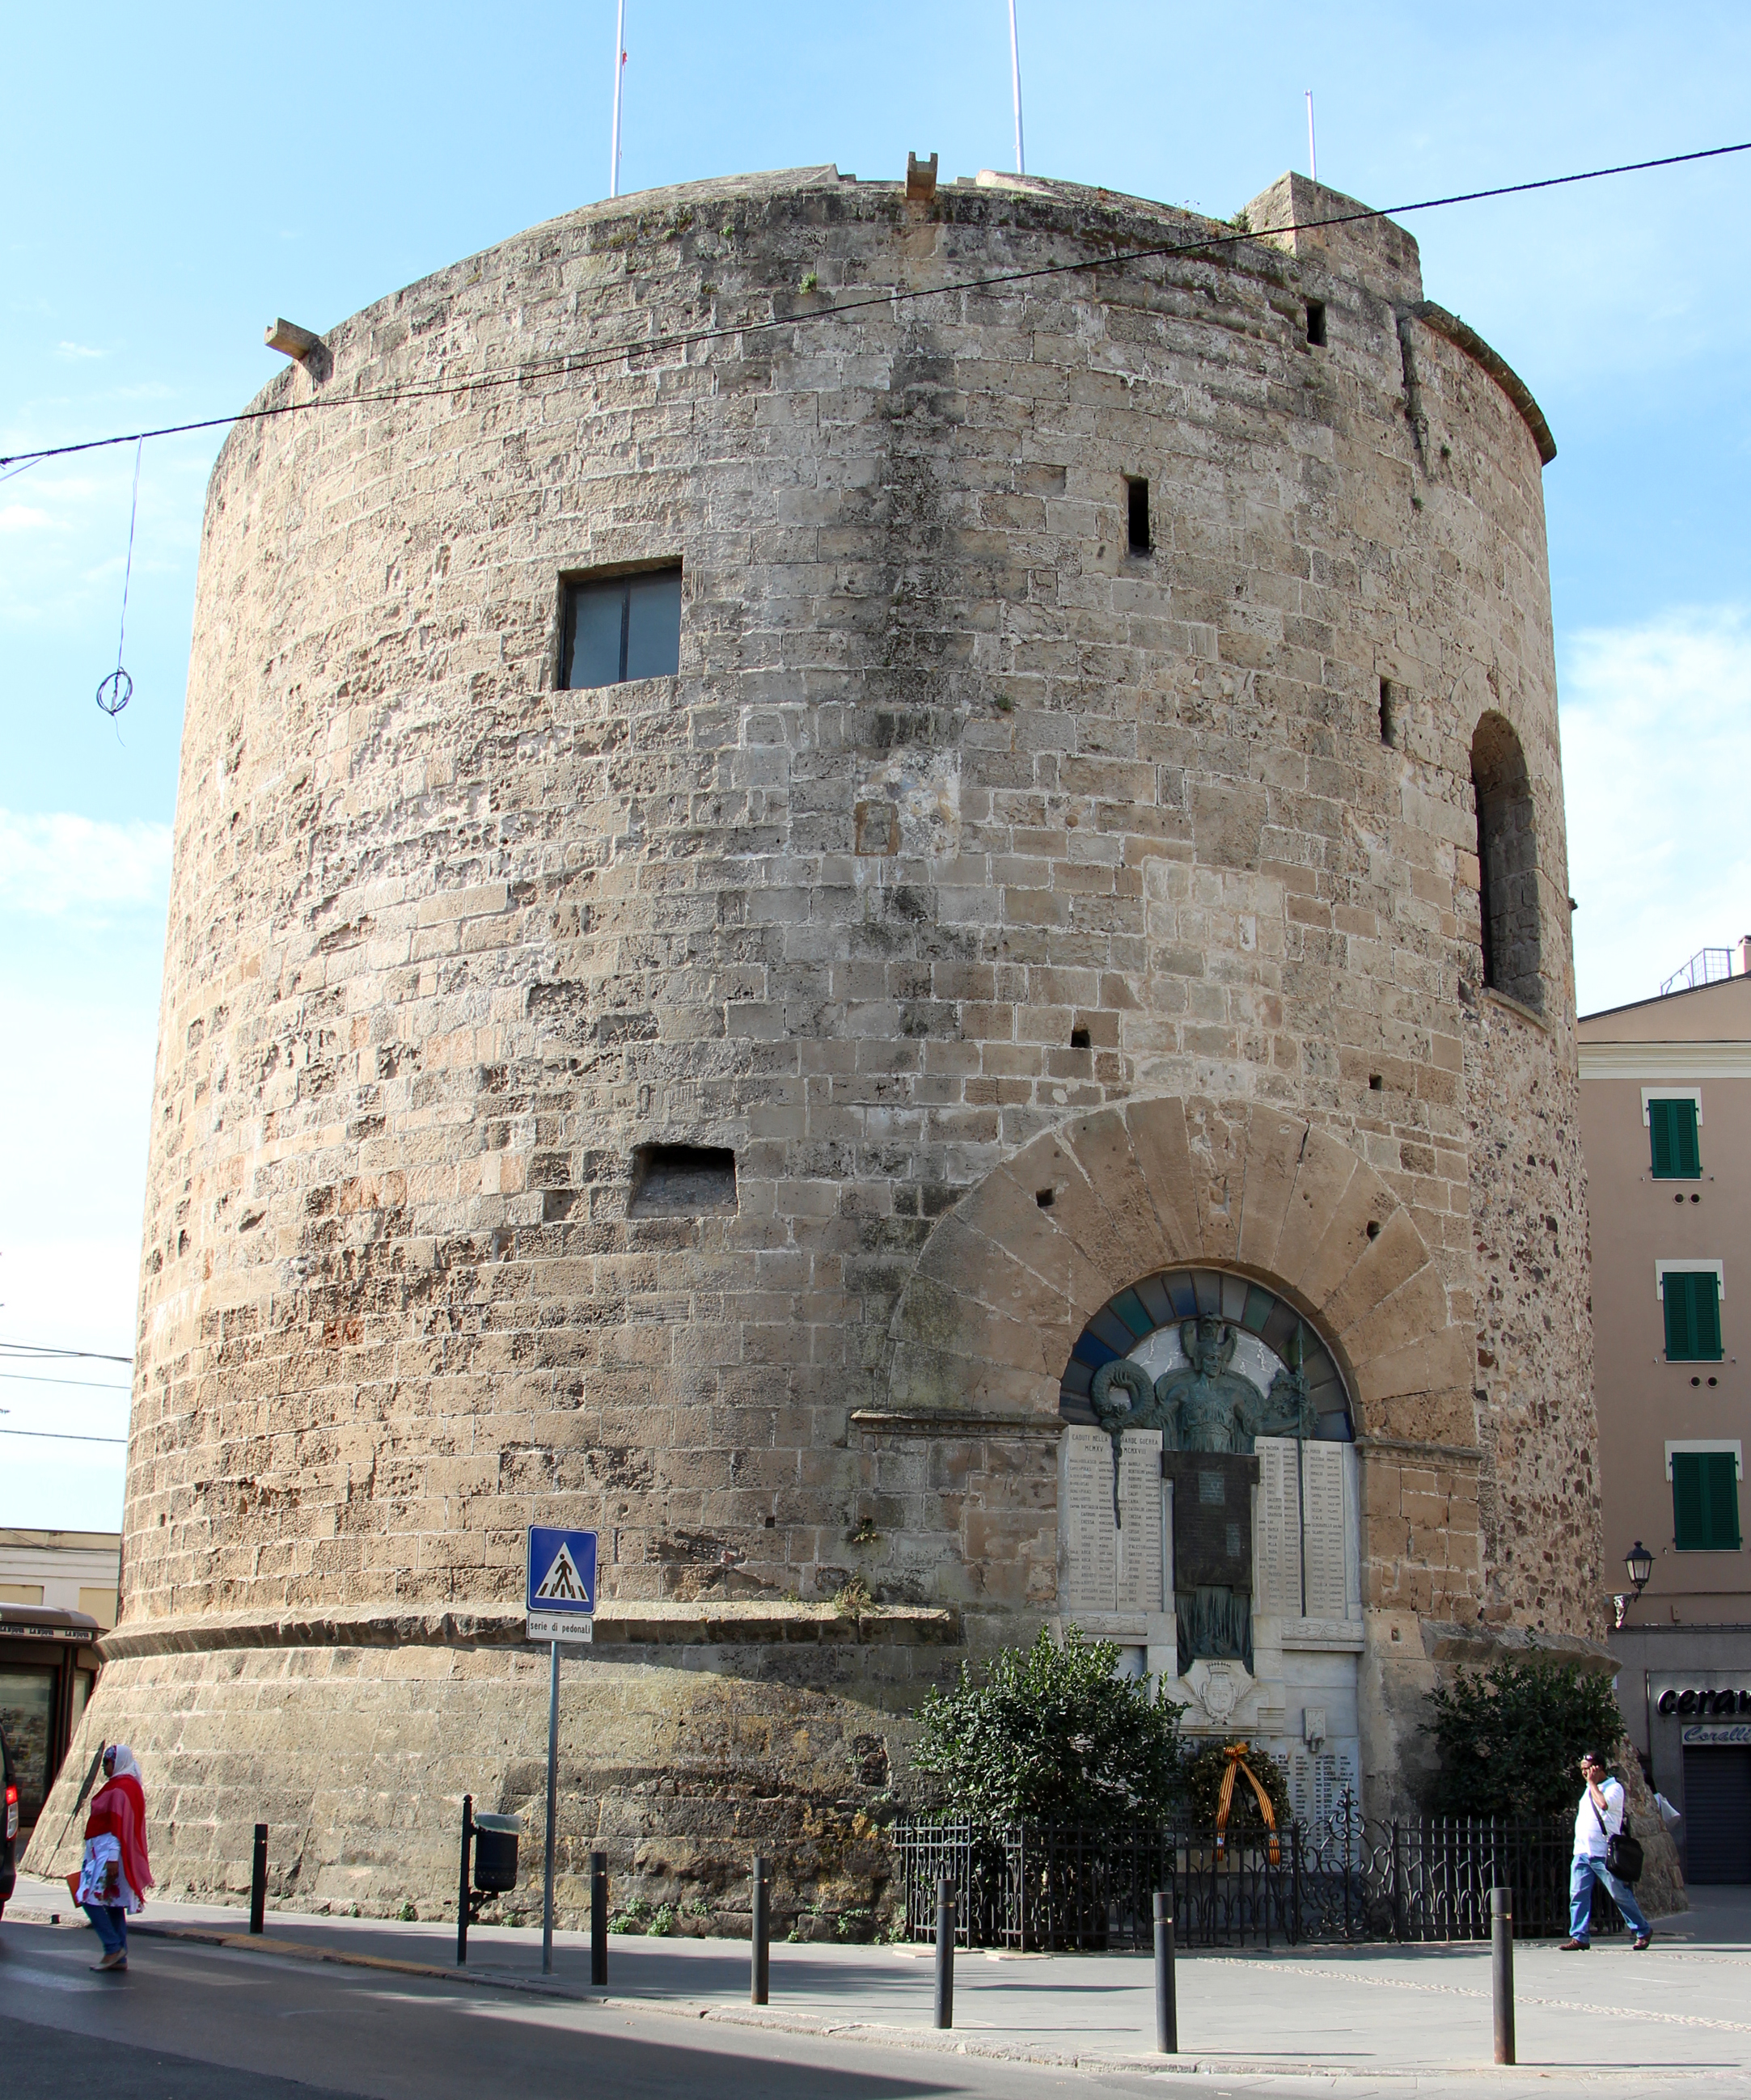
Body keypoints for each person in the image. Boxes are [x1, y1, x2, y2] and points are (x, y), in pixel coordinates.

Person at [1561, 1749, 1651, 1952]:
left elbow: (1603, 1805)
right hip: (1583, 1851)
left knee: (1619, 1894)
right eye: (1582, 1770)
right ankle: (1580, 1936)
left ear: (1597, 1768)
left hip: (1603, 1853)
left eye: (1587, 1769)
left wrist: (1592, 1784)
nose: (1584, 1773)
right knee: (1578, 1894)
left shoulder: (1614, 1788)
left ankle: (1642, 1930)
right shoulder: (1588, 1789)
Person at [77, 1743, 154, 1973]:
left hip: (110, 1856)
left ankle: (112, 1947)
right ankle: (119, 1954)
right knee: (113, 1903)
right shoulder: (124, 1785)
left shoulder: (122, 1788)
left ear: (117, 1762)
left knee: (89, 1898)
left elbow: (118, 1827)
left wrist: (111, 1858)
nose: (104, 1767)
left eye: (107, 1762)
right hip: (105, 1854)